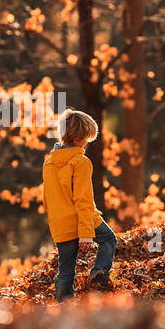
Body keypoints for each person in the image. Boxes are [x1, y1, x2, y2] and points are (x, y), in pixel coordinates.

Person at [42, 109, 116, 300]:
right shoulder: (80, 162)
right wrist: (85, 234)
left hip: (61, 224)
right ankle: (99, 272)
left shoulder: (49, 163)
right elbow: (83, 200)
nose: (87, 143)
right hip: (83, 220)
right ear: (78, 139)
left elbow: (46, 199)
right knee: (108, 239)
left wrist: (57, 222)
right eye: (86, 138)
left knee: (66, 269)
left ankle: (63, 306)